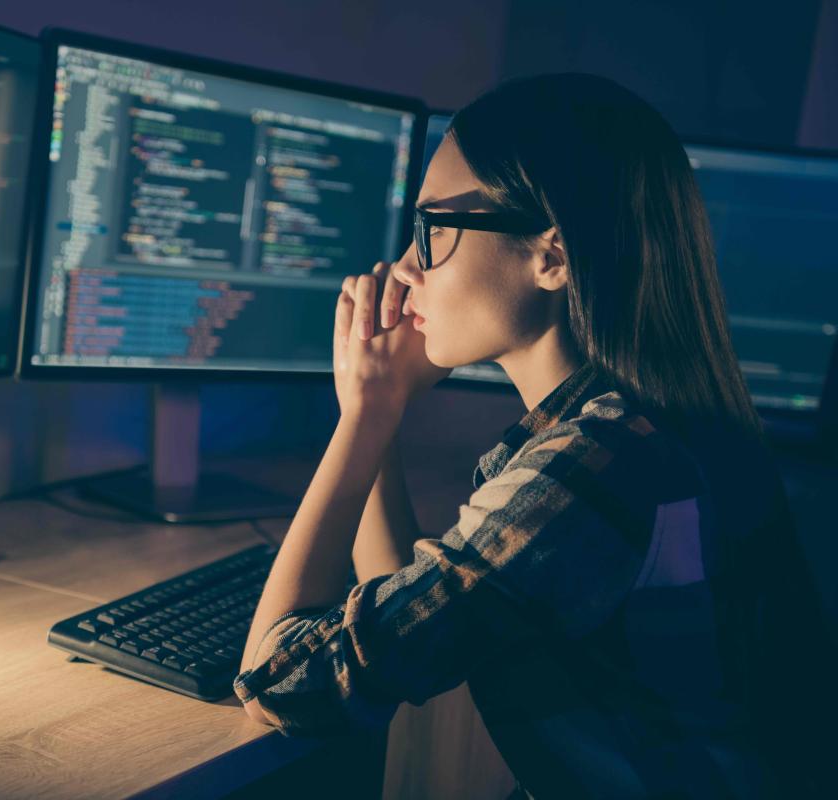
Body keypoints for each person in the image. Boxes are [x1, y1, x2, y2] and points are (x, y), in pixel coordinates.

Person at [234, 73, 835, 798]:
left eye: (433, 230)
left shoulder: (591, 469)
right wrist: (380, 408)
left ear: (552, 256)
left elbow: (285, 685)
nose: (402, 270)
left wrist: (361, 416)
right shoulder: (641, 431)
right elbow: (420, 611)